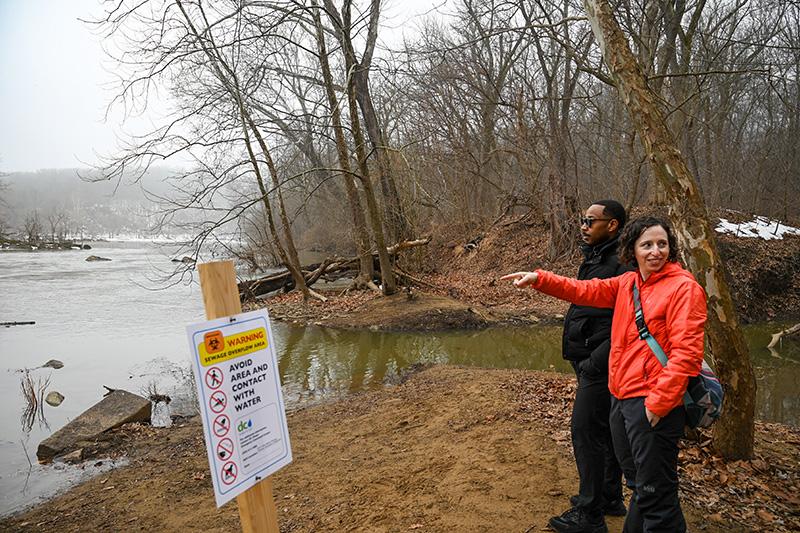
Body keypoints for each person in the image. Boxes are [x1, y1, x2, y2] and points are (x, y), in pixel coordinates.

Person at [502, 216, 706, 533]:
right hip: (621, 398)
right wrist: (539, 278)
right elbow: (584, 290)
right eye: (647, 244)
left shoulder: (683, 288)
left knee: (657, 497)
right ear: (632, 250)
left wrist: (658, 404)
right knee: (640, 486)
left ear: (671, 247)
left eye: (662, 244)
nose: (656, 251)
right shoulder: (628, 283)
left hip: (652, 403)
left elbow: (687, 355)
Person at [547, 200, 631, 533]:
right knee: (605, 432)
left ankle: (589, 515)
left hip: (601, 362)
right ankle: (609, 497)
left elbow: (624, 323)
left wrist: (595, 362)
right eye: (582, 219)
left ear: (611, 225)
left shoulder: (621, 264)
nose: (583, 225)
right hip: (590, 358)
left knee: (585, 433)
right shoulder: (596, 257)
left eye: (589, 220)